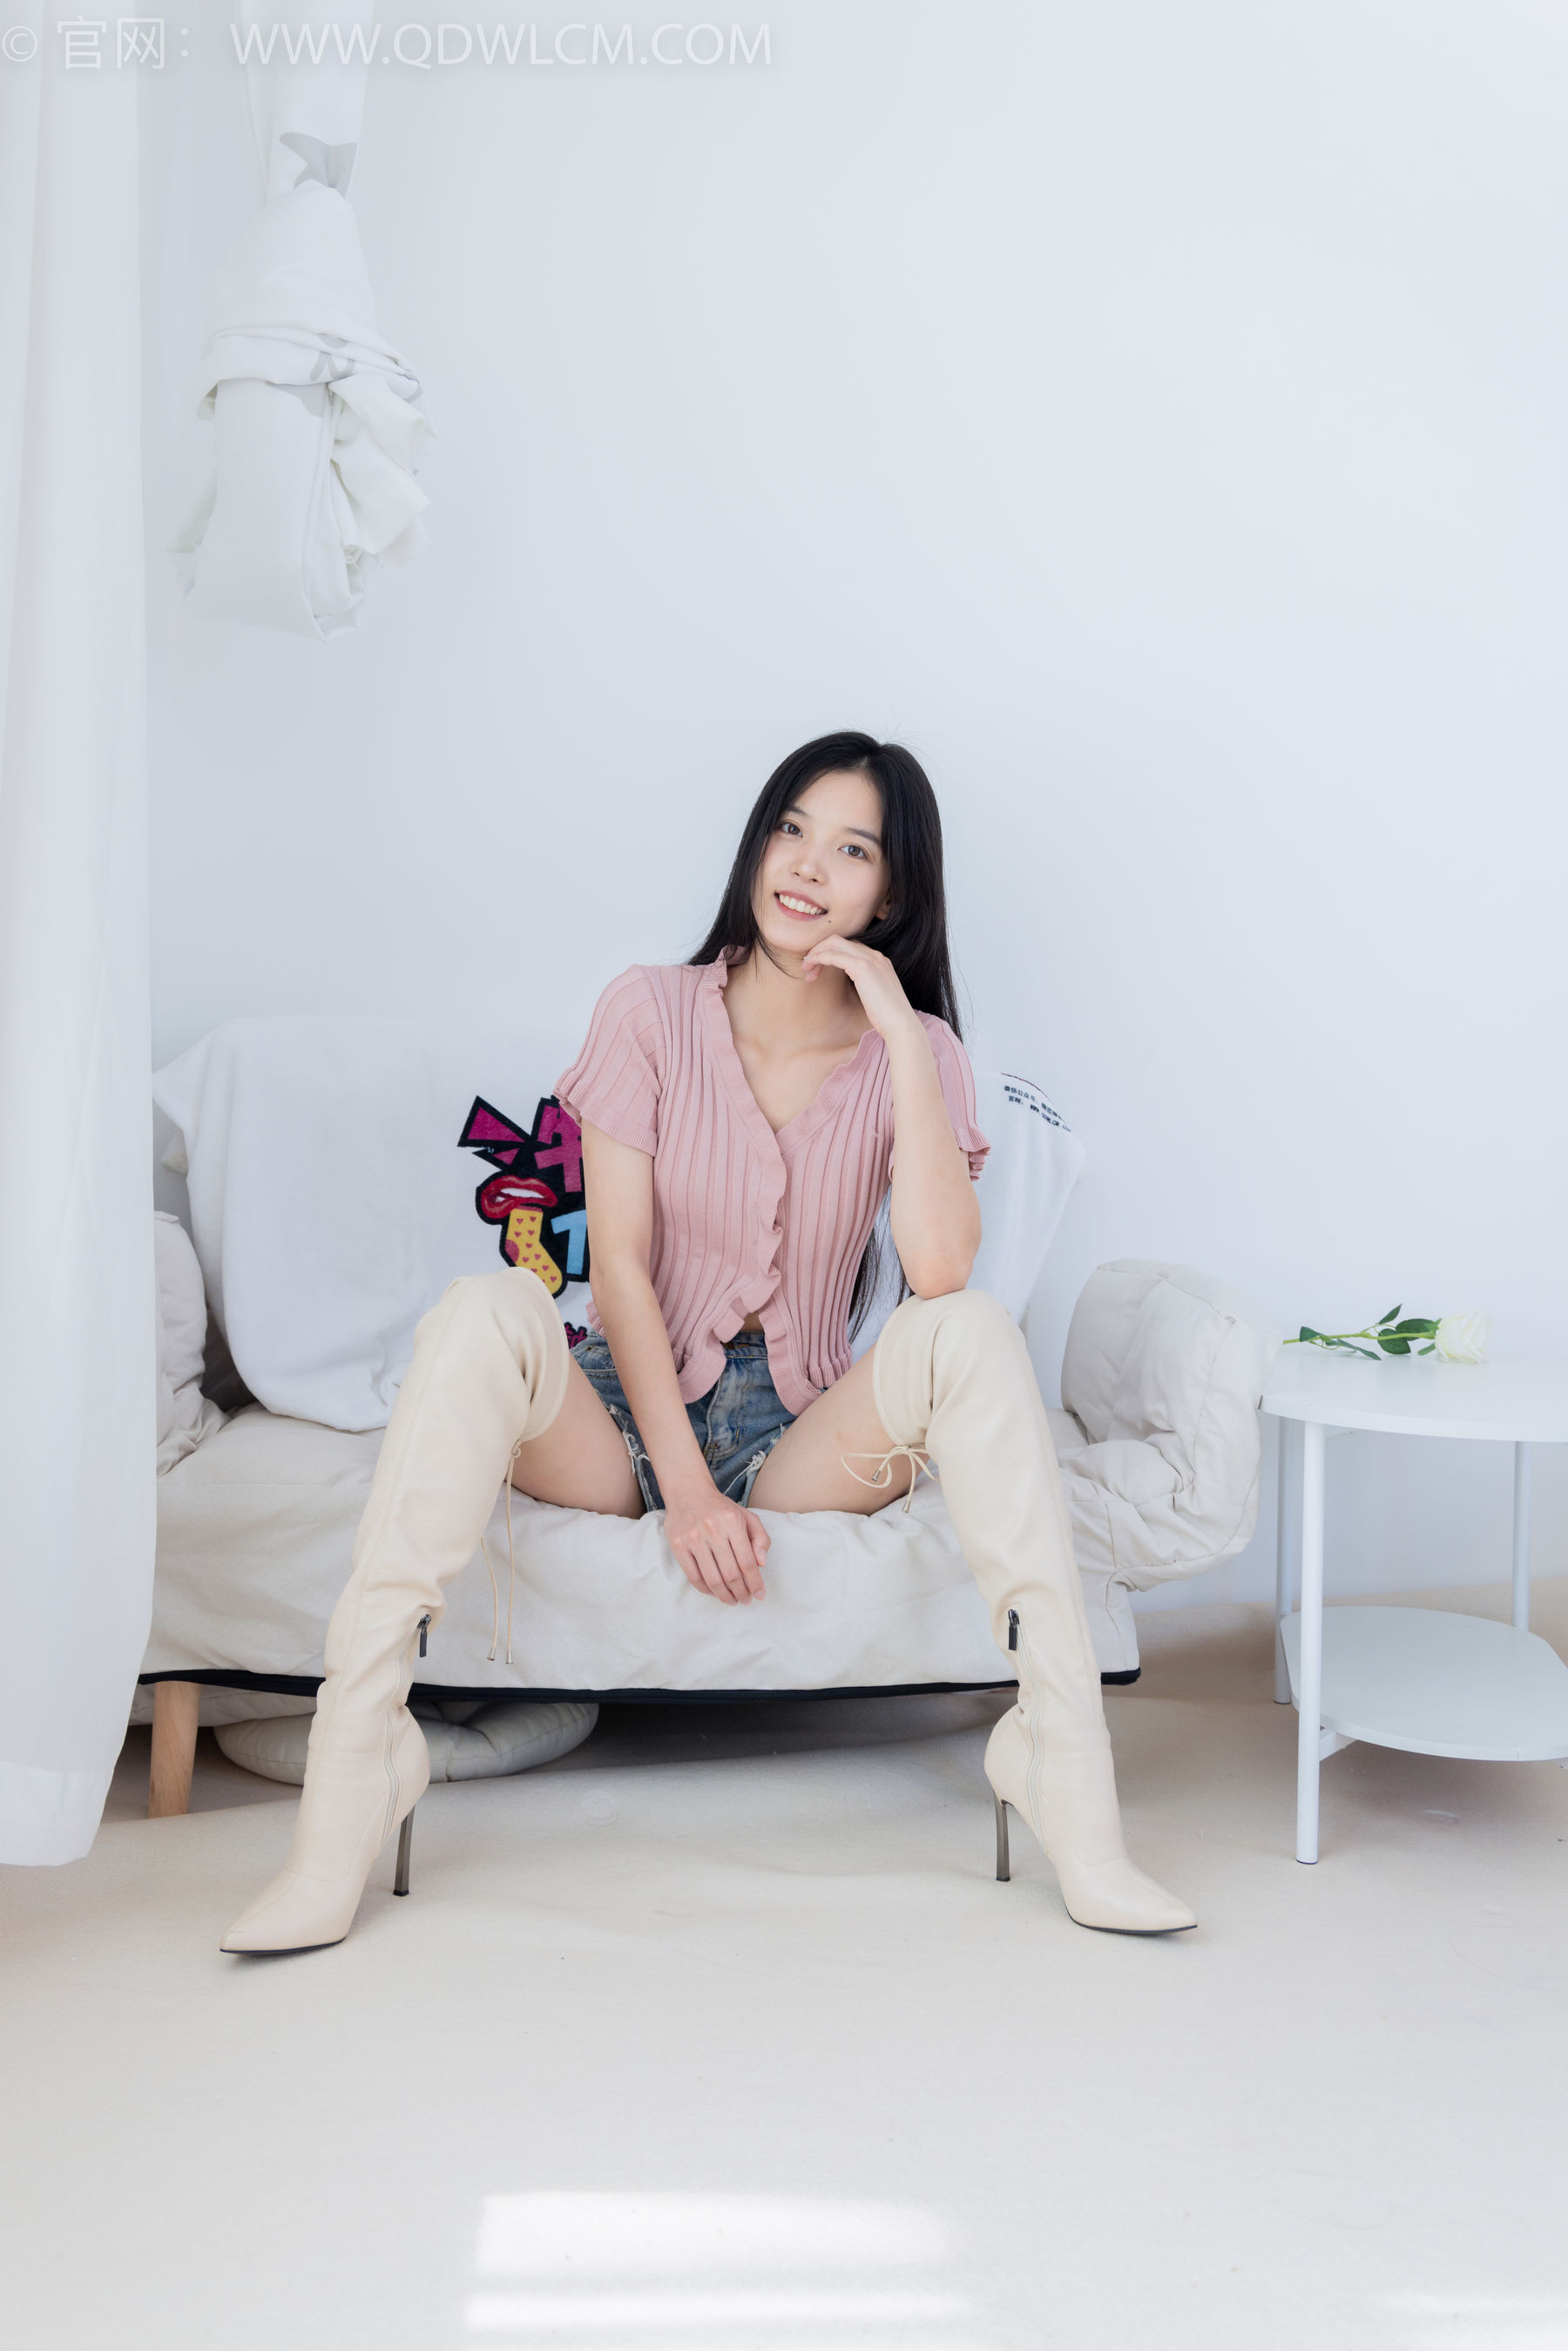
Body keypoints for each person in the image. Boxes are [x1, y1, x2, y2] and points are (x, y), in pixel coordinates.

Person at [222, 733, 1194, 1954]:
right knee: (478, 1311)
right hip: (615, 1417)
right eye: (792, 828)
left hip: (802, 1437)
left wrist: (904, 1038)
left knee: (973, 1330)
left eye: (852, 850)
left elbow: (940, 1272)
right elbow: (620, 1269)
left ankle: (1063, 1770)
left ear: (891, 896)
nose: (808, 866)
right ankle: (353, 1779)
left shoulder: (920, 1055)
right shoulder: (650, 1010)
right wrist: (683, 1493)